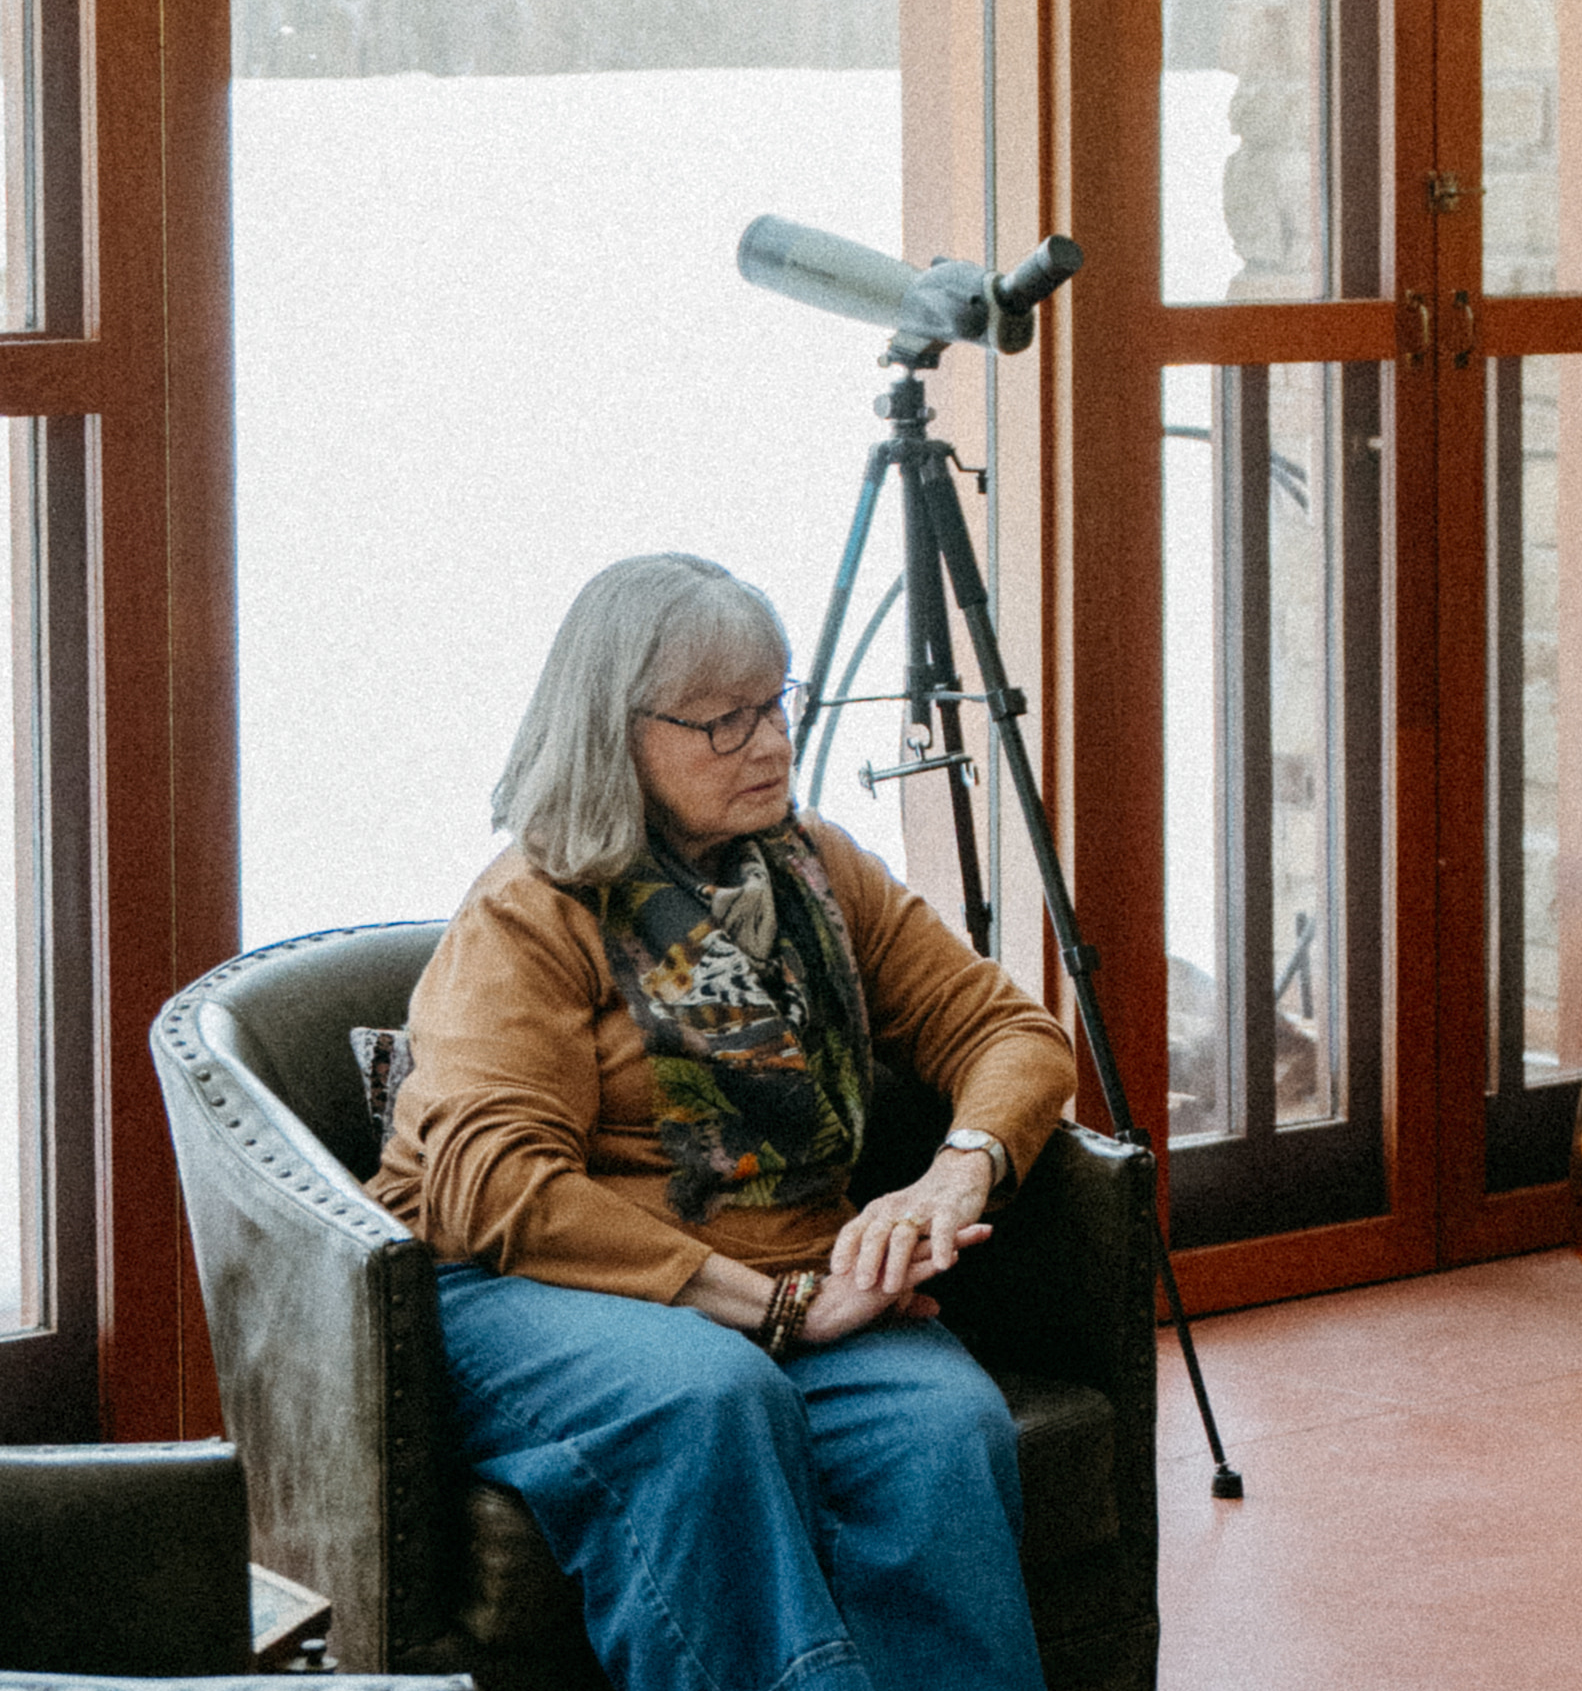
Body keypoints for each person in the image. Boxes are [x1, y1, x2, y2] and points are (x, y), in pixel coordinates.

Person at [370, 552, 1079, 1691]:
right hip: (529, 1286)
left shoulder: (818, 870)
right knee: (713, 1396)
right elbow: (492, 1183)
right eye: (722, 720)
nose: (771, 741)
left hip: (792, 1281)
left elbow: (1013, 1032)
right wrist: (778, 1308)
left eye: (778, 700)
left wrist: (954, 1174)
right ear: (619, 733)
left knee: (946, 1428)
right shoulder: (532, 907)